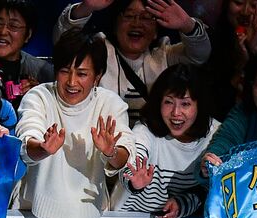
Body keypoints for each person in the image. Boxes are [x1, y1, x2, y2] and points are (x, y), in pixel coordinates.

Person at [14, 28, 132, 218]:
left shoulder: (111, 104)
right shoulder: (39, 96)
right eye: (65, 71)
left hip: (90, 213)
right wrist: (42, 149)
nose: (71, 82)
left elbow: (125, 154)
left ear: (97, 76)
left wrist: (111, 152)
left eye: (82, 74)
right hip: (31, 210)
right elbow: (27, 138)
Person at [53, 0, 212, 125]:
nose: (137, 23)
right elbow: (64, 44)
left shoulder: (165, 54)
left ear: (157, 30)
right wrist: (85, 7)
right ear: (115, 24)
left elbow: (200, 55)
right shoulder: (99, 49)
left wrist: (187, 24)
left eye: (146, 17)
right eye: (128, 16)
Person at [111, 63, 216, 218]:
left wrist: (181, 204)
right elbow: (133, 159)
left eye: (185, 104)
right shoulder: (146, 130)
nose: (175, 113)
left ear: (199, 105)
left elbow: (205, 190)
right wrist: (135, 181)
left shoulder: (215, 135)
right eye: (168, 102)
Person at [204, 0, 257, 122]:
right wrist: (241, 66)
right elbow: (211, 107)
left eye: (254, 5)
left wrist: (255, 50)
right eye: (239, 2)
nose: (245, 12)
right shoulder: (208, 44)